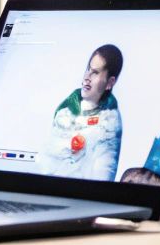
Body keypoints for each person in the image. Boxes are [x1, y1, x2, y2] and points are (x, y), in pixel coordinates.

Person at [35, 45, 125, 180]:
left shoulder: (110, 123)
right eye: (88, 69)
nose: (87, 77)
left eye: (95, 72)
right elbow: (46, 159)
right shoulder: (65, 110)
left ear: (110, 82)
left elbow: (102, 178)